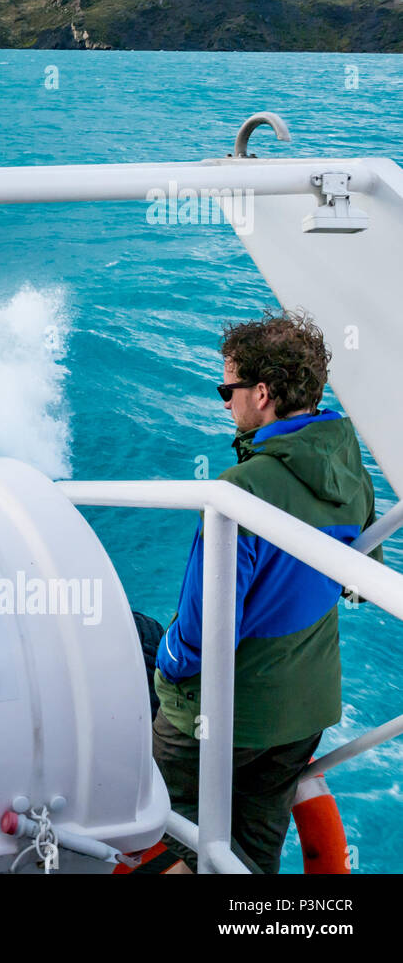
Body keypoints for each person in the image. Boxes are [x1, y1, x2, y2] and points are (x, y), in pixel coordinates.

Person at [151, 310, 381, 874]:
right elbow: (359, 583)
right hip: (307, 708)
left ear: (261, 393)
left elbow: (203, 634)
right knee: (251, 850)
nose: (223, 403)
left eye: (226, 389)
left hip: (231, 715)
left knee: (162, 818)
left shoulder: (241, 490)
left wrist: (169, 666)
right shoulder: (352, 467)